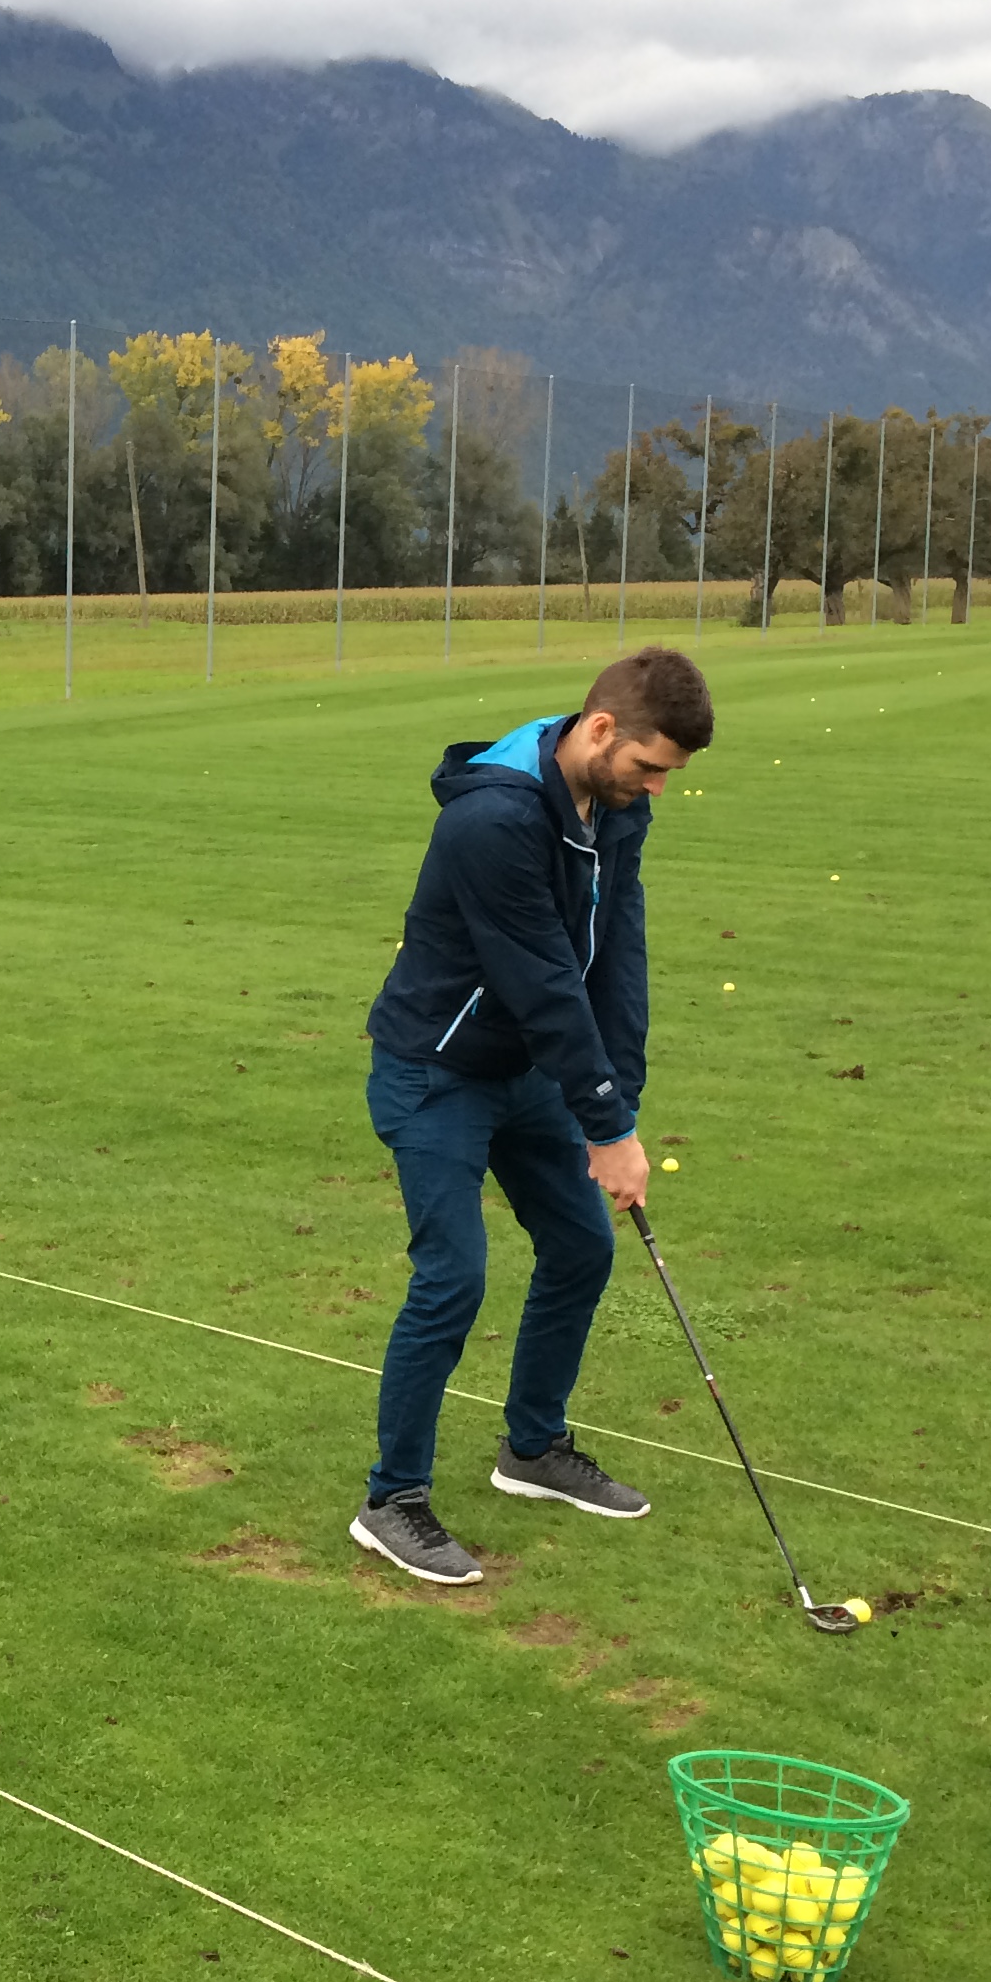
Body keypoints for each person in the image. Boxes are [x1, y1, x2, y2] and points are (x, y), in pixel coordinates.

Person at [348, 645, 715, 1586]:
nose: (656, 790)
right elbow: (544, 979)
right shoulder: (494, 820)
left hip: (526, 1074)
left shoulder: (613, 805)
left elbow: (614, 954)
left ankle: (534, 1449)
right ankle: (392, 1501)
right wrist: (606, 1128)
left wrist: (617, 1103)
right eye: (648, 767)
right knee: (453, 1277)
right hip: (435, 1070)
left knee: (581, 1248)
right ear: (601, 730)